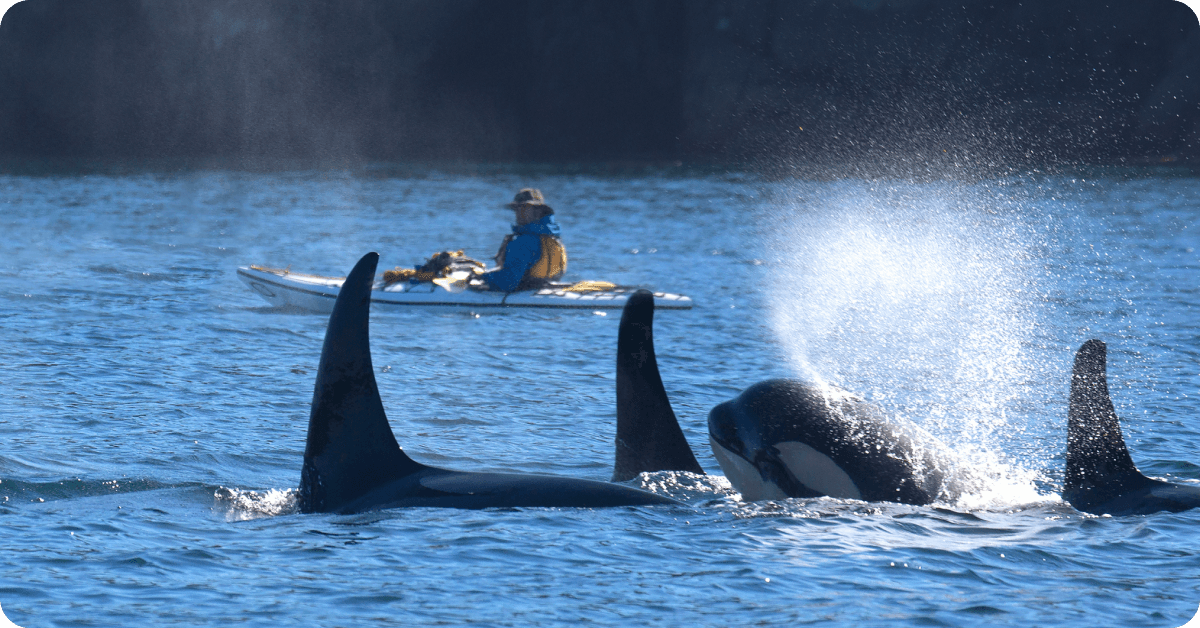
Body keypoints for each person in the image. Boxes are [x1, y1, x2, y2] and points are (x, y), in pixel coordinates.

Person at [478, 188, 567, 291]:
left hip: (522, 292)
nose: (519, 213)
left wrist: (482, 276)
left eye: (525, 208)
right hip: (545, 288)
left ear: (538, 211)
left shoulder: (524, 242)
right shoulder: (554, 238)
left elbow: (508, 282)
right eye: (517, 209)